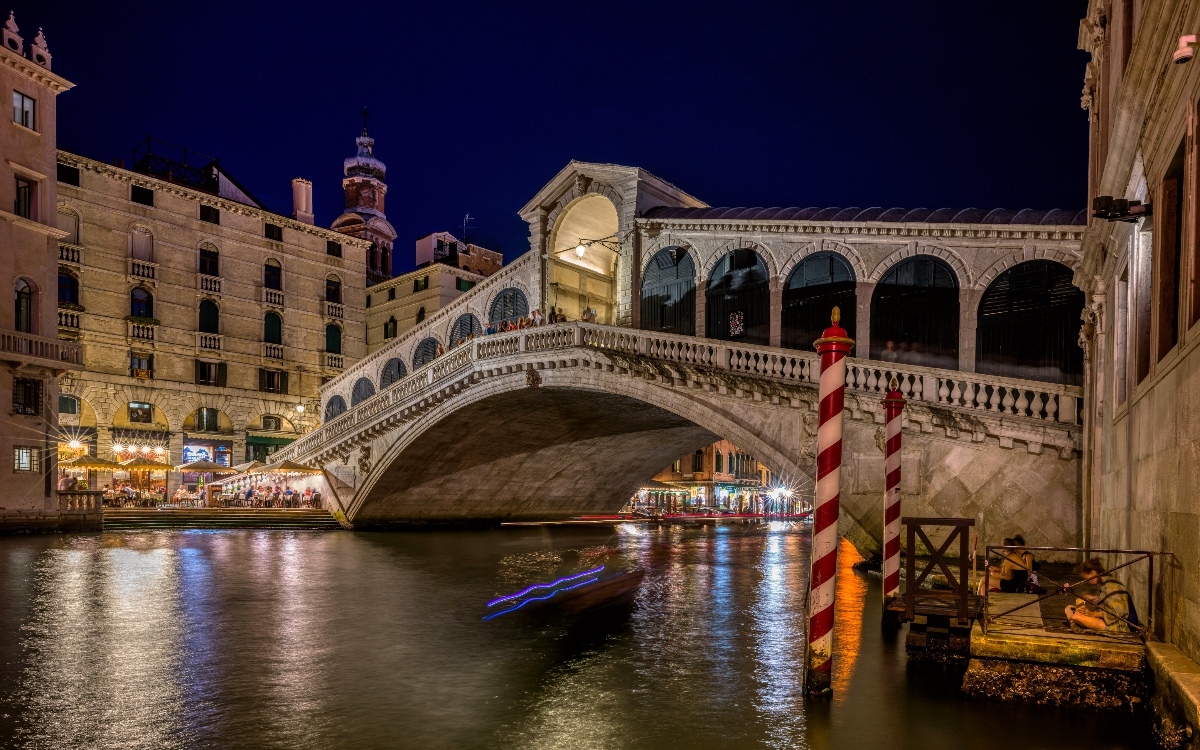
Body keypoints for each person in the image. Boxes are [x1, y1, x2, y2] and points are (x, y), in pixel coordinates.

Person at [1064, 558, 1137, 633]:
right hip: (1106, 619)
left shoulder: (1111, 586)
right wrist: (1094, 598)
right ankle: (1076, 623)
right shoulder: (1105, 583)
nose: (1087, 581)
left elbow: (1117, 614)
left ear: (1092, 573)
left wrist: (1093, 614)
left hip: (1117, 625)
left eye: (1087, 579)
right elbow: (1108, 600)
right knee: (1069, 608)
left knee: (1076, 617)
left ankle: (1075, 624)